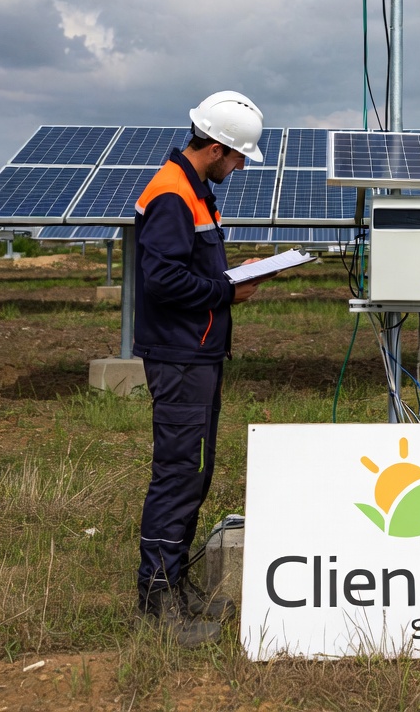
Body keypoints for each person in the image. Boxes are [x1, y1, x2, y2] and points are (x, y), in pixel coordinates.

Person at [133, 90, 268, 645]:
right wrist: (226, 292)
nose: (239, 166)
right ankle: (158, 598)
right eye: (237, 157)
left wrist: (231, 277)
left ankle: (176, 585)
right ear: (215, 148)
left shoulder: (192, 188)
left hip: (197, 351)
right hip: (181, 354)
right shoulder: (172, 194)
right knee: (178, 474)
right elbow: (161, 280)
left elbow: (184, 268)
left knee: (194, 473)